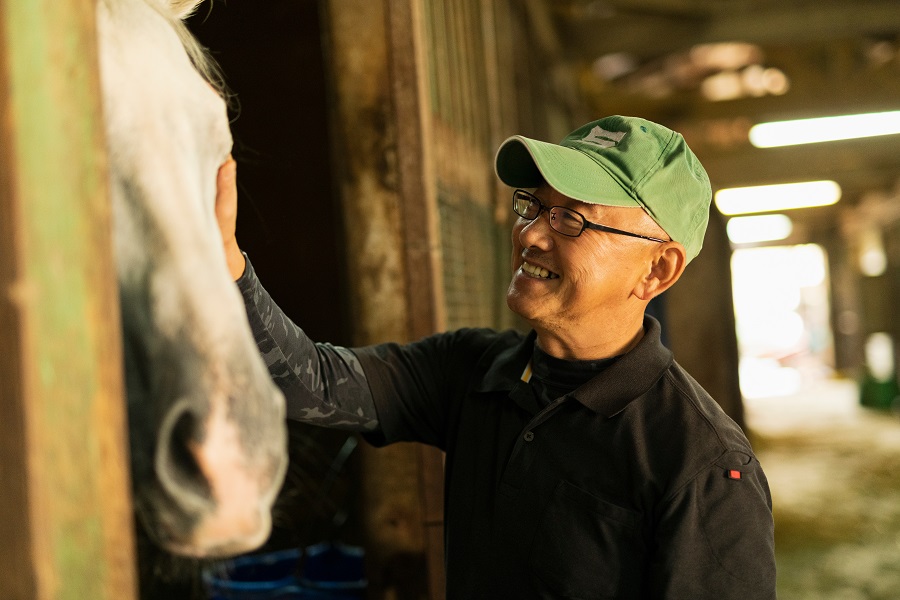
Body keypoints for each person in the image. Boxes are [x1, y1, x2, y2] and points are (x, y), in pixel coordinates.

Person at [215, 115, 776, 599]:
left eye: (572, 219)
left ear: (657, 270)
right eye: (534, 207)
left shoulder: (703, 466)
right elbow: (313, 383)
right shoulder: (475, 370)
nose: (530, 235)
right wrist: (224, 264)